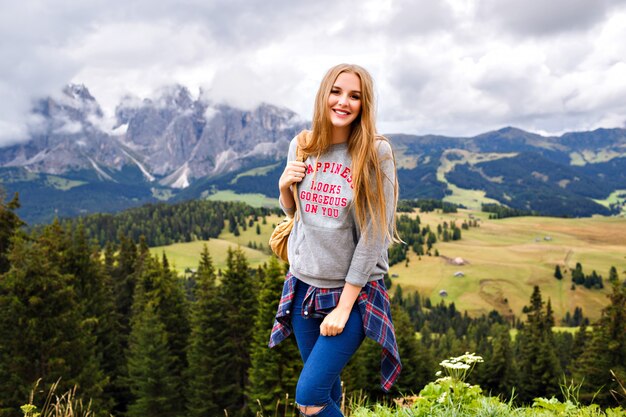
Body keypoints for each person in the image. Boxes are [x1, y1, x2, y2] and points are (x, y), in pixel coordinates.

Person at [269, 64, 401, 417]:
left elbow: (374, 236)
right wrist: (284, 188)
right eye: (337, 91)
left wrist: (344, 307)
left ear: (364, 104)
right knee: (327, 390)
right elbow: (296, 214)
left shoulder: (376, 153)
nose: (344, 101)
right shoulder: (302, 144)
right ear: (324, 95)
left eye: (354, 96)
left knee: (309, 397)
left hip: (353, 294)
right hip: (303, 288)